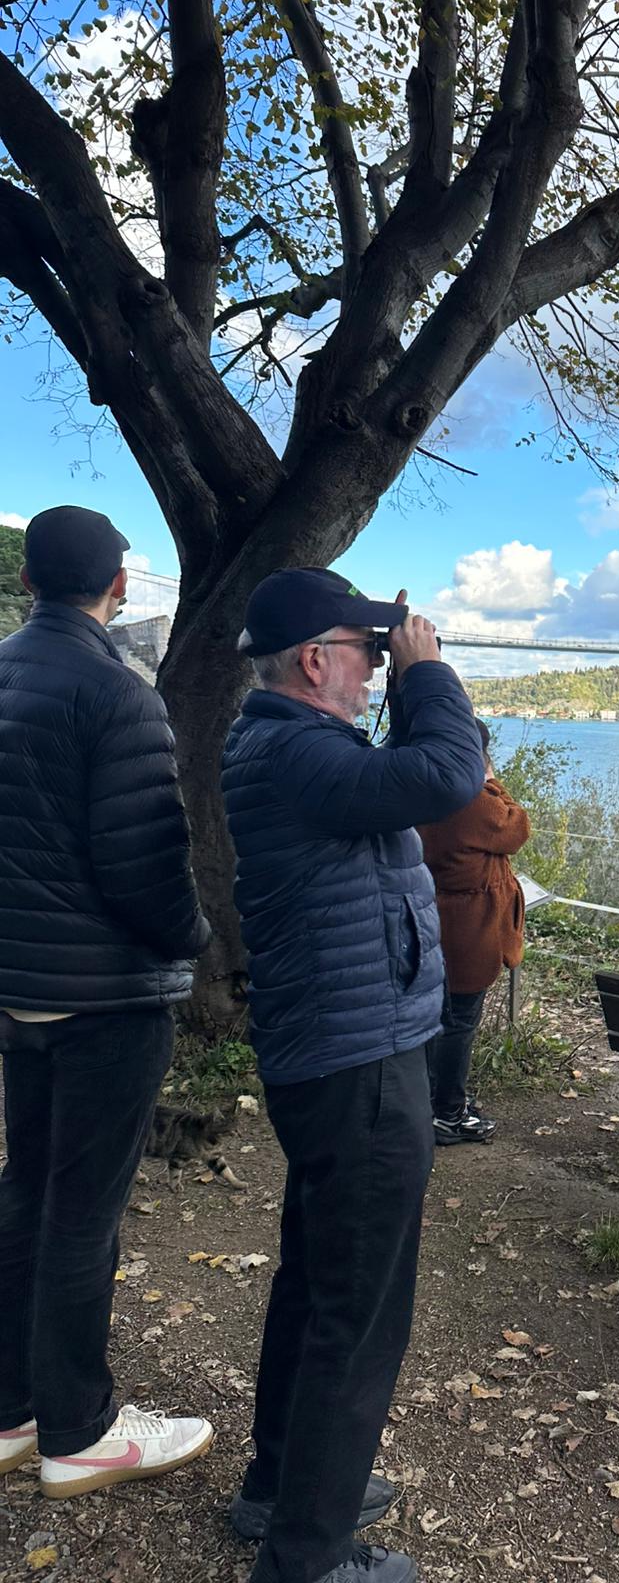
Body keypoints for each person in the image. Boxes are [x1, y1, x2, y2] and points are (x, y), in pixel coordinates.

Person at [221, 567, 484, 1583]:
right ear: (317, 659)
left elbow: (419, 782)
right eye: (368, 650)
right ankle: (308, 1555)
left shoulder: (297, 749)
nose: (379, 663)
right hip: (358, 1062)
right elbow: (447, 777)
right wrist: (430, 675)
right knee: (359, 1311)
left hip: (345, 1049)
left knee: (320, 1277)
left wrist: (412, 684)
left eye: (388, 651)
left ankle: (279, 1486)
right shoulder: (294, 752)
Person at [0, 506, 213, 1497]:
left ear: (33, 578)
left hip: (22, 990)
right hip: (105, 1001)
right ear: (117, 584)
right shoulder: (117, 695)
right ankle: (79, 1429)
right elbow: (147, 873)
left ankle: (12, 1409)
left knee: (26, 1191)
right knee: (83, 1211)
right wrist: (195, 941)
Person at [418, 720, 530, 1145]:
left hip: (431, 920)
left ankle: (425, 1106)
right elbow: (517, 827)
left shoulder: (423, 788)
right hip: (468, 931)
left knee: (433, 1019)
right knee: (459, 1022)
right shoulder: (471, 799)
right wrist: (492, 781)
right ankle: (447, 1113)